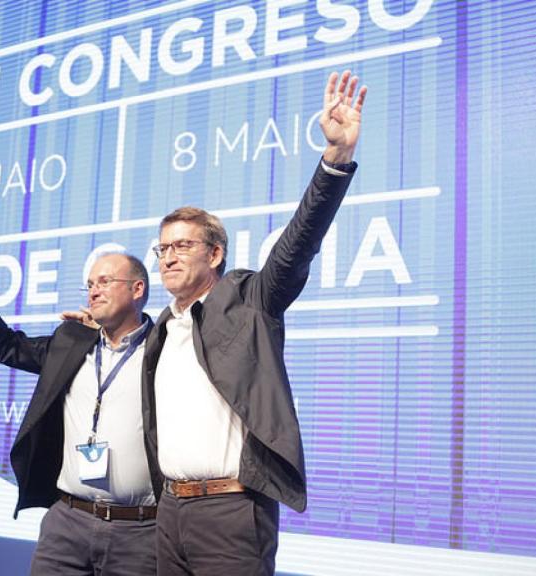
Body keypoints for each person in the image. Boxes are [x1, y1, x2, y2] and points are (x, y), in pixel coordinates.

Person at [142, 70, 367, 575]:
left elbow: (297, 244)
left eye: (183, 246)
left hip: (231, 512)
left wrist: (335, 161)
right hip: (170, 510)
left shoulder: (249, 300)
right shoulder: (160, 327)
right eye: (162, 248)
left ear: (216, 253)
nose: (169, 257)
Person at [0, 247, 156, 576]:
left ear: (137, 289)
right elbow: (7, 346)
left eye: (105, 281)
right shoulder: (71, 342)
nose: (94, 290)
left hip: (139, 531)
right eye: (90, 284)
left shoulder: (164, 349)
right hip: (67, 521)